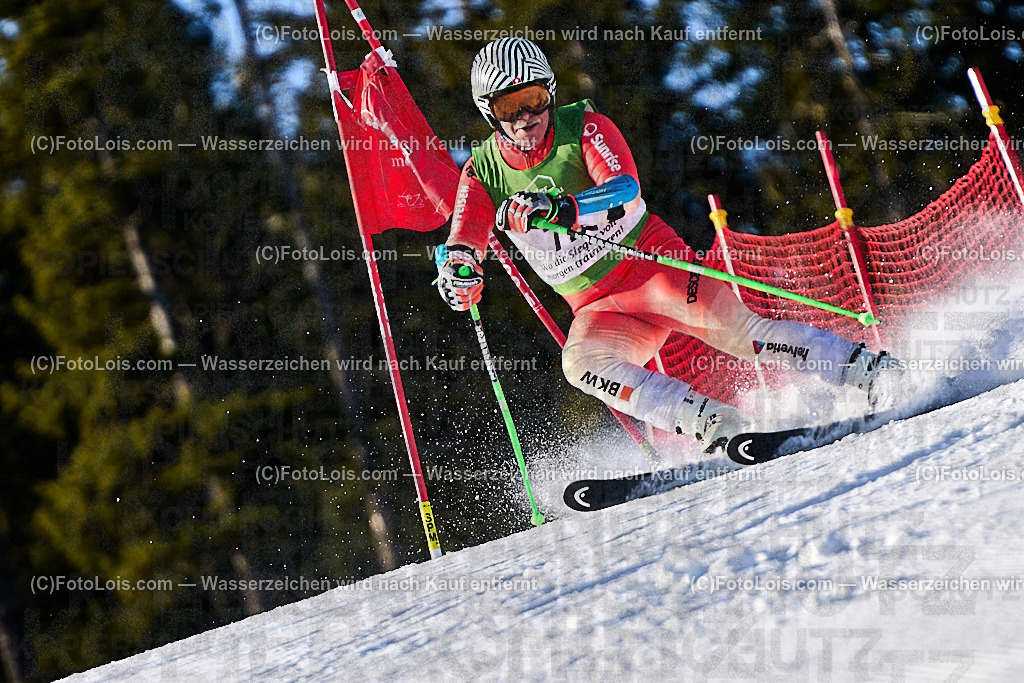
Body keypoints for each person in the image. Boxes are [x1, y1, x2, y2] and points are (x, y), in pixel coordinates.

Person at [436, 37, 900, 452]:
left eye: (534, 100)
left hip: (652, 268)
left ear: (550, 94)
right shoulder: (482, 171)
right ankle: (709, 420)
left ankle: (866, 368)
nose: (525, 118)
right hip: (597, 307)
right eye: (508, 107)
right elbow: (462, 241)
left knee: (740, 334)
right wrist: (459, 273)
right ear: (487, 112)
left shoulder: (584, 126)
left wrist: (564, 208)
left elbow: (624, 188)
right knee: (580, 363)